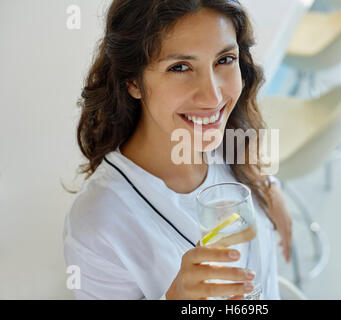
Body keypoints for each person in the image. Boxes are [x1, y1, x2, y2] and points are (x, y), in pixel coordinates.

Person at [63, 0, 292, 300]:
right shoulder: (97, 224)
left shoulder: (229, 143)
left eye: (224, 59)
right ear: (132, 80)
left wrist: (267, 187)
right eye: (180, 67)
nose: (213, 96)